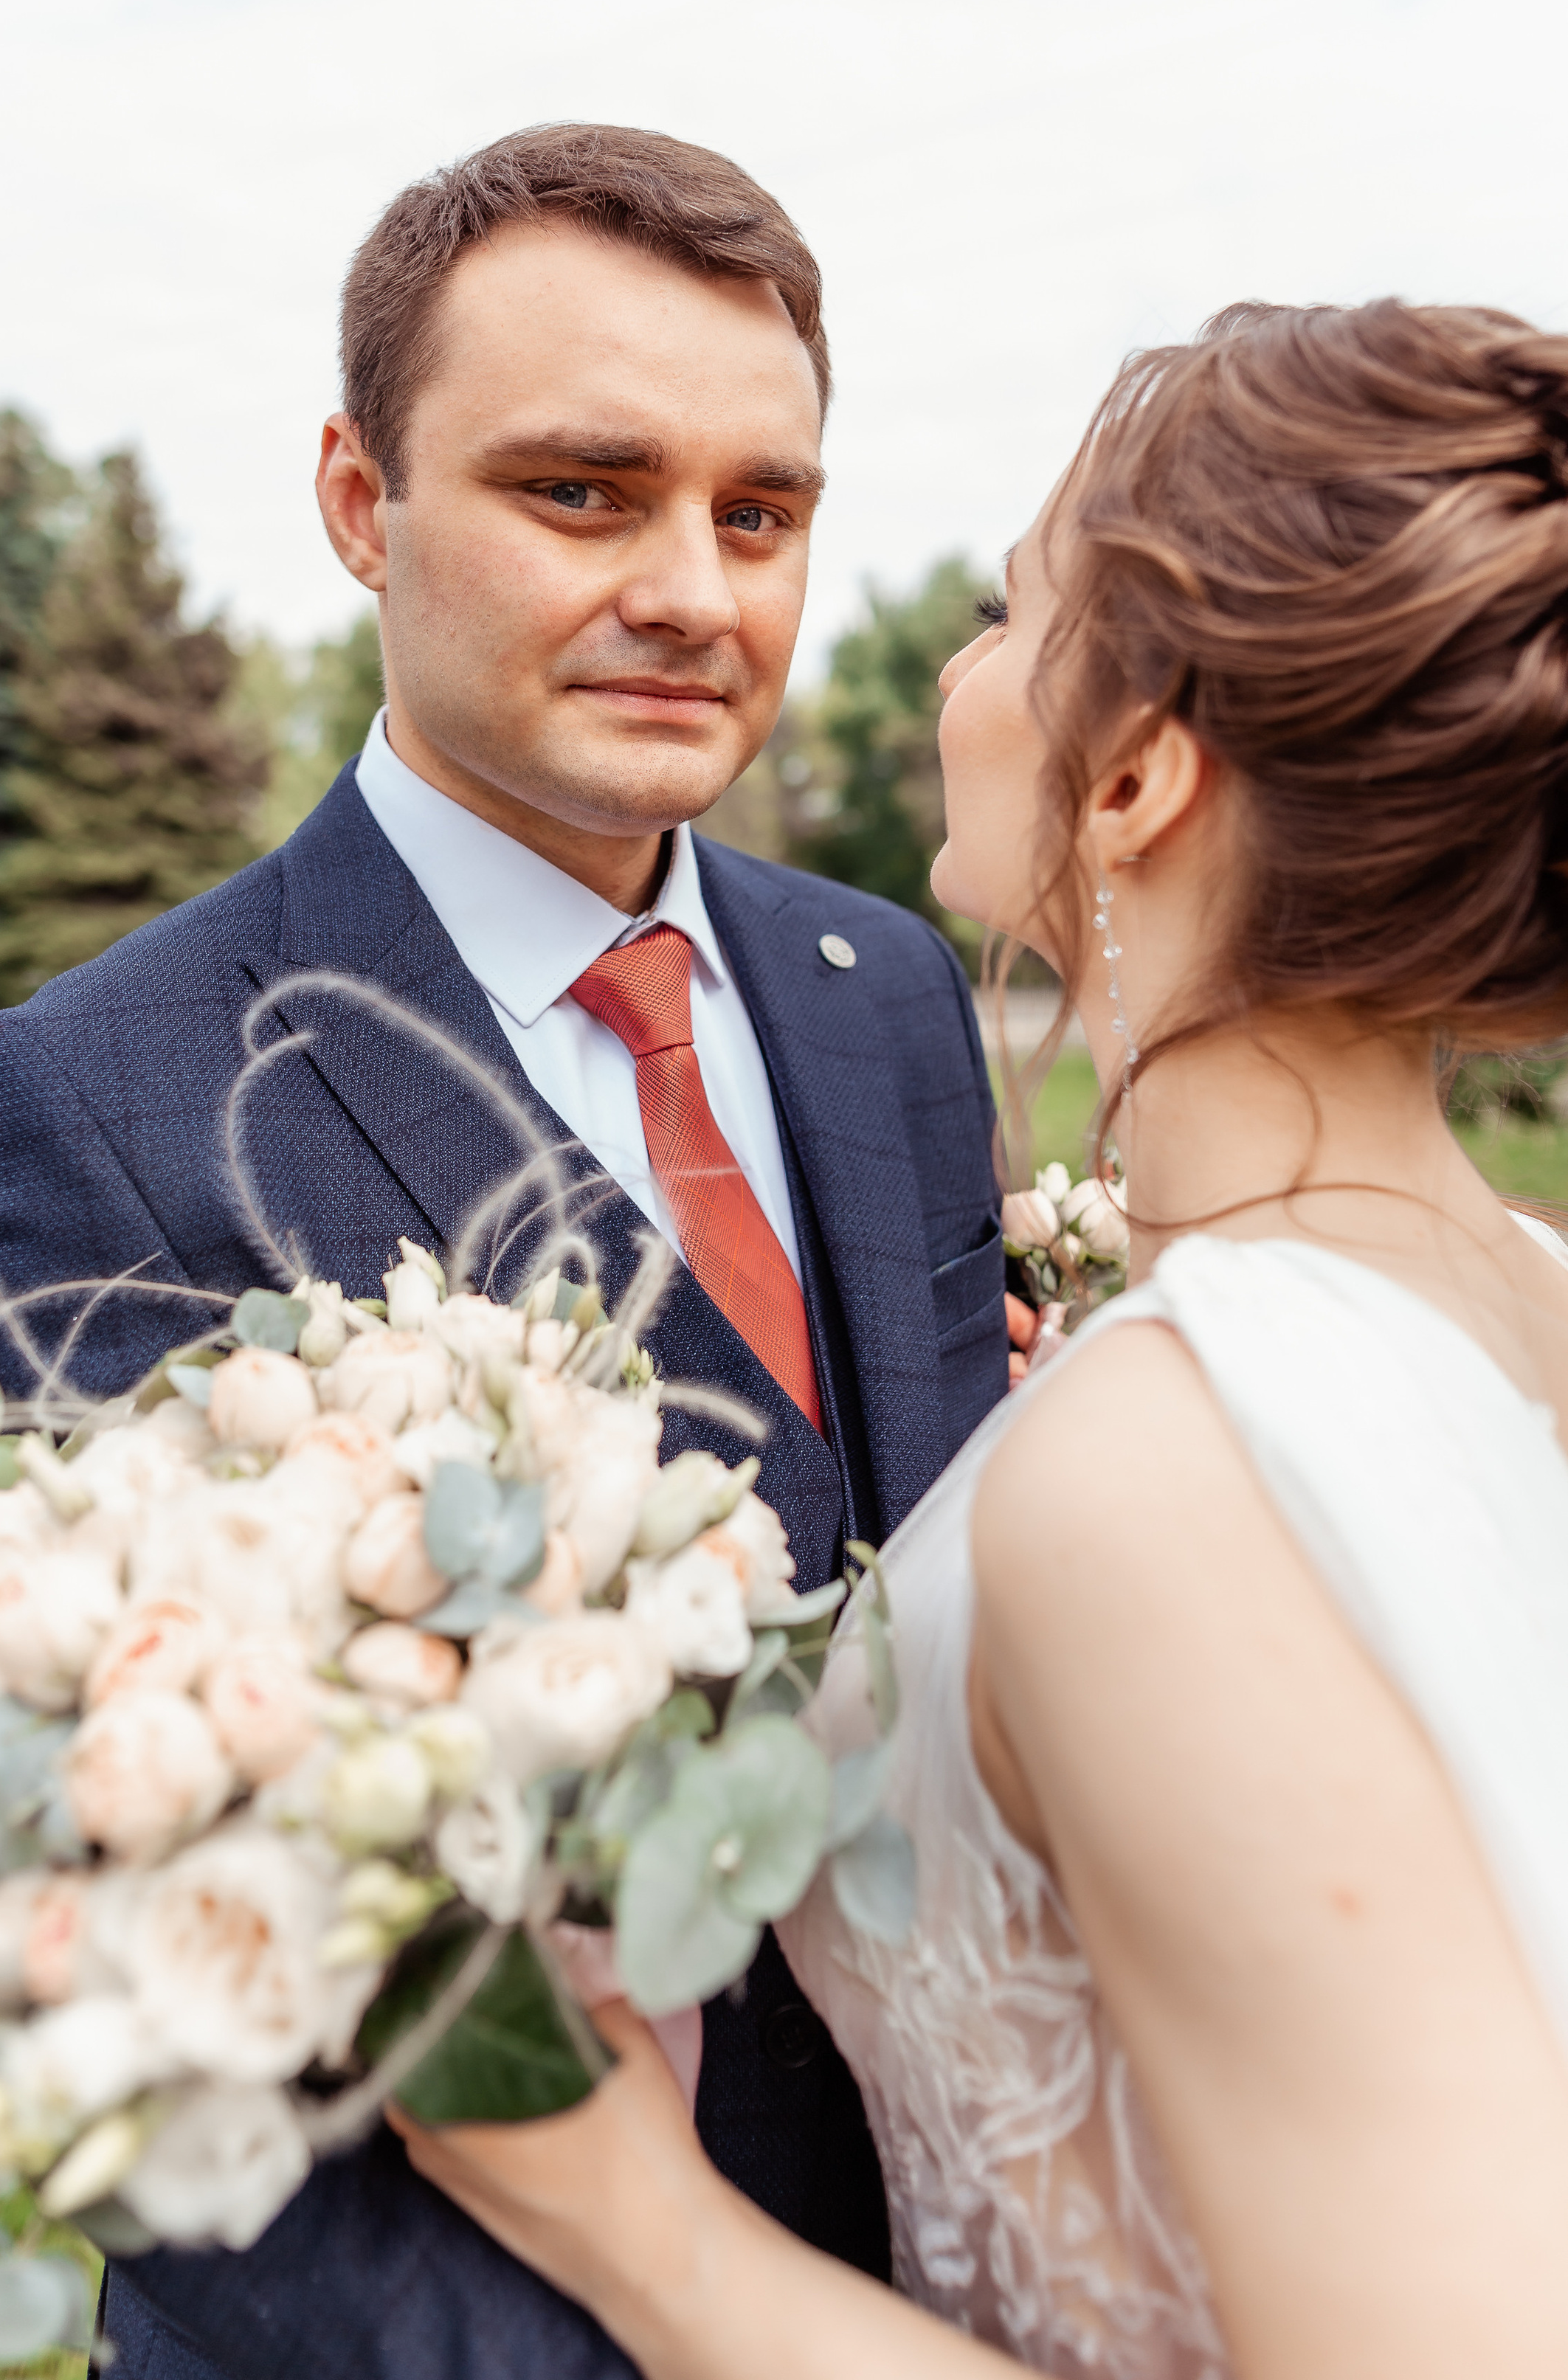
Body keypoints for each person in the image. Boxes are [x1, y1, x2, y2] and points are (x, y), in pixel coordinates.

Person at [0, 123, 1016, 2380]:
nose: (698, 589)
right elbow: (77, 1944)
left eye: (761, 510)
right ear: (356, 503)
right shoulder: (85, 1103)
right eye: (583, 493)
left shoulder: (882, 990)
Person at [396, 297, 1568, 2379]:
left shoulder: (1176, 1468)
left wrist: (643, 2231)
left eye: (1003, 612)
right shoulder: (1520, 1284)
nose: (953, 674)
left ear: (1130, 778)